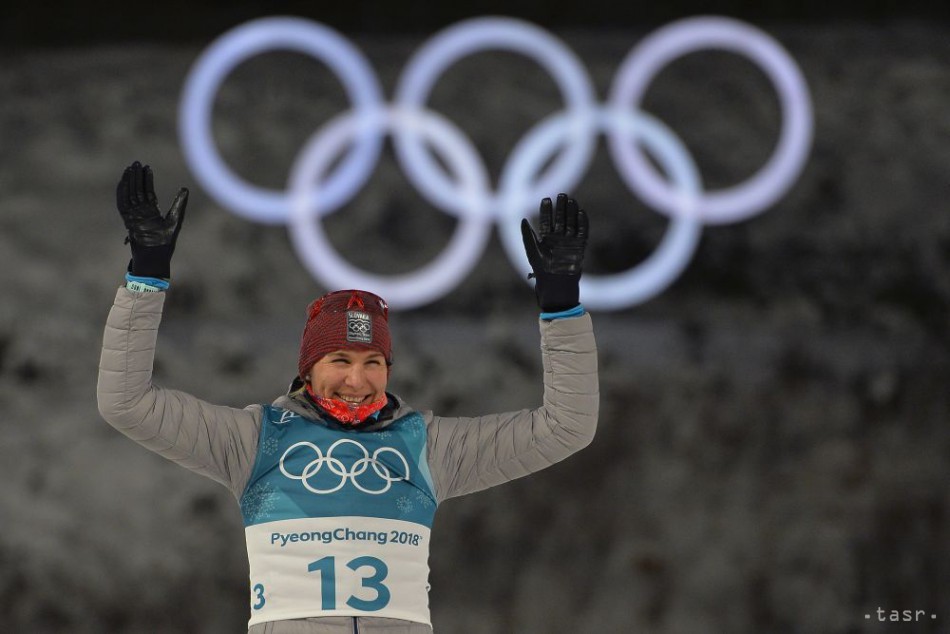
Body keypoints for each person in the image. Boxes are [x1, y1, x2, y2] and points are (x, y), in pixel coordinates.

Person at [97, 161, 599, 633]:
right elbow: (126, 402)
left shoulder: (428, 447)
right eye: (339, 361)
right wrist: (147, 273)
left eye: (372, 363)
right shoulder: (254, 441)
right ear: (308, 370)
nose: (356, 381)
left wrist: (561, 307)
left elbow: (566, 427)